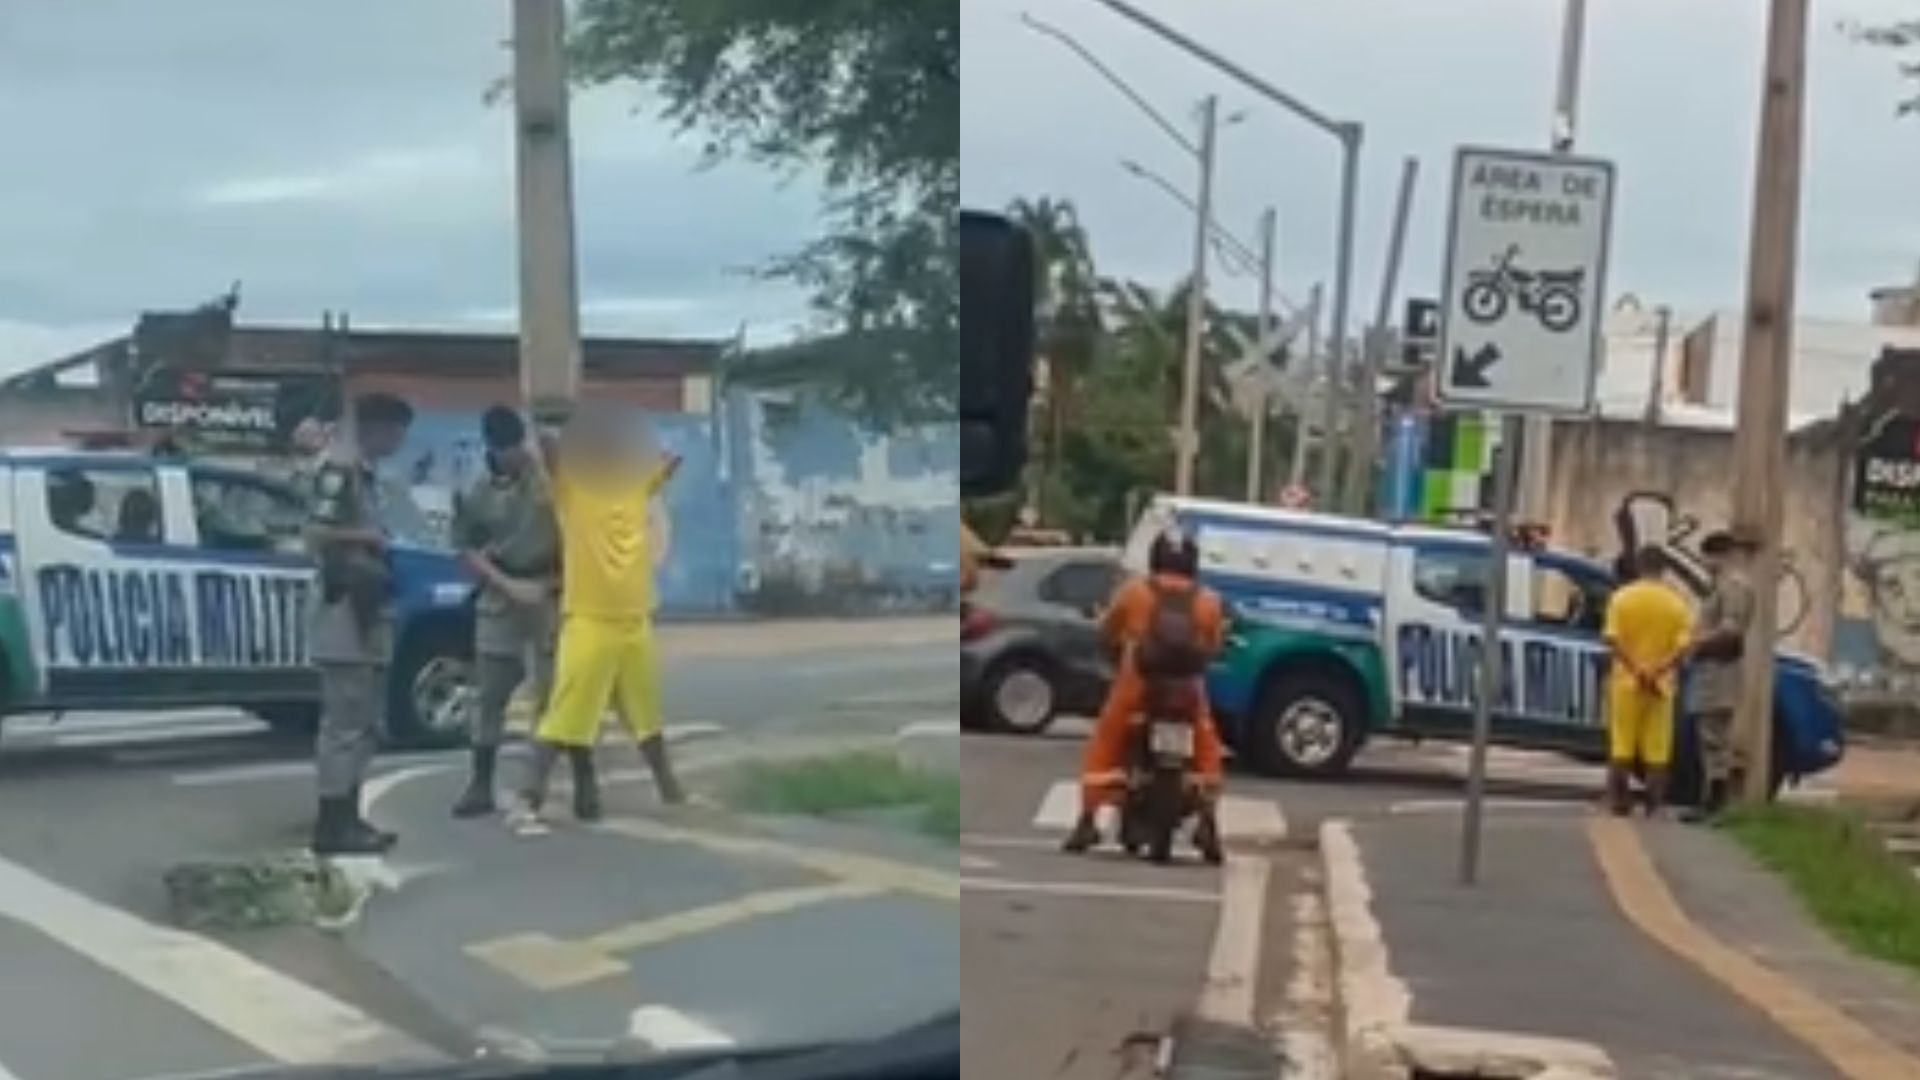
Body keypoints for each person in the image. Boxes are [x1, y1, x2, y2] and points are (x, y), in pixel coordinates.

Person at [508, 403, 686, 833]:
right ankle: (527, 799)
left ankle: (671, 790)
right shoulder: (571, 491)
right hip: (589, 621)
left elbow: (669, 462)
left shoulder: (635, 485)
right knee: (565, 714)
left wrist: (643, 447)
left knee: (646, 714)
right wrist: (552, 426)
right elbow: (549, 452)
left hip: (635, 620)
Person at [1063, 530, 1226, 862]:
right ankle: (1208, 818)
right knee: (1206, 740)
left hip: (1137, 684)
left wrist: (1114, 648)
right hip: (1187, 689)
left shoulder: (1134, 592)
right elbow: (1213, 647)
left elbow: (1109, 630)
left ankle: (1088, 819)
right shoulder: (1209, 602)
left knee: (1106, 739)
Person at [304, 391, 414, 856]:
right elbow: (315, 533)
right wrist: (367, 536)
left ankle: (350, 816)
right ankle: (332, 823)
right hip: (343, 609)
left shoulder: (366, 476)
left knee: (364, 724)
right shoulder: (339, 472)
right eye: (396, 433)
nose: (398, 443)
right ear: (376, 429)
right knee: (344, 726)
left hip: (367, 611)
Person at [449, 406, 561, 818]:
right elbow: (465, 549)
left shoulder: (547, 481)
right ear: (493, 448)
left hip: (550, 587)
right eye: (506, 449)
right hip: (501, 588)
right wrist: (505, 584)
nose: (516, 455)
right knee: (490, 692)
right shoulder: (476, 490)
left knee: (555, 691)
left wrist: (549, 586)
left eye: (519, 446)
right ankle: (480, 781)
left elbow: (576, 533)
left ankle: (545, 783)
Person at [1601, 545, 1695, 817]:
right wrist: (1658, 670)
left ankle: (1619, 800)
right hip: (1661, 686)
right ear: (1664, 570)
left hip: (1625, 682)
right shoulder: (1676, 604)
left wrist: (1636, 670)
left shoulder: (1621, 599)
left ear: (1637, 567)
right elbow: (1683, 646)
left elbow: (1612, 639)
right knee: (1657, 747)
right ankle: (1654, 804)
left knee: (1622, 743)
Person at [1682, 527, 1760, 822]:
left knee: (1714, 738)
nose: (1705, 564)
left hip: (1720, 668)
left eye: (1708, 558)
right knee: (1709, 737)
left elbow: (1731, 629)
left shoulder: (1734, 587)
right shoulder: (1721, 586)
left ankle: (1716, 802)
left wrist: (1697, 642)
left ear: (1721, 556)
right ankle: (1710, 798)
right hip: (1710, 667)